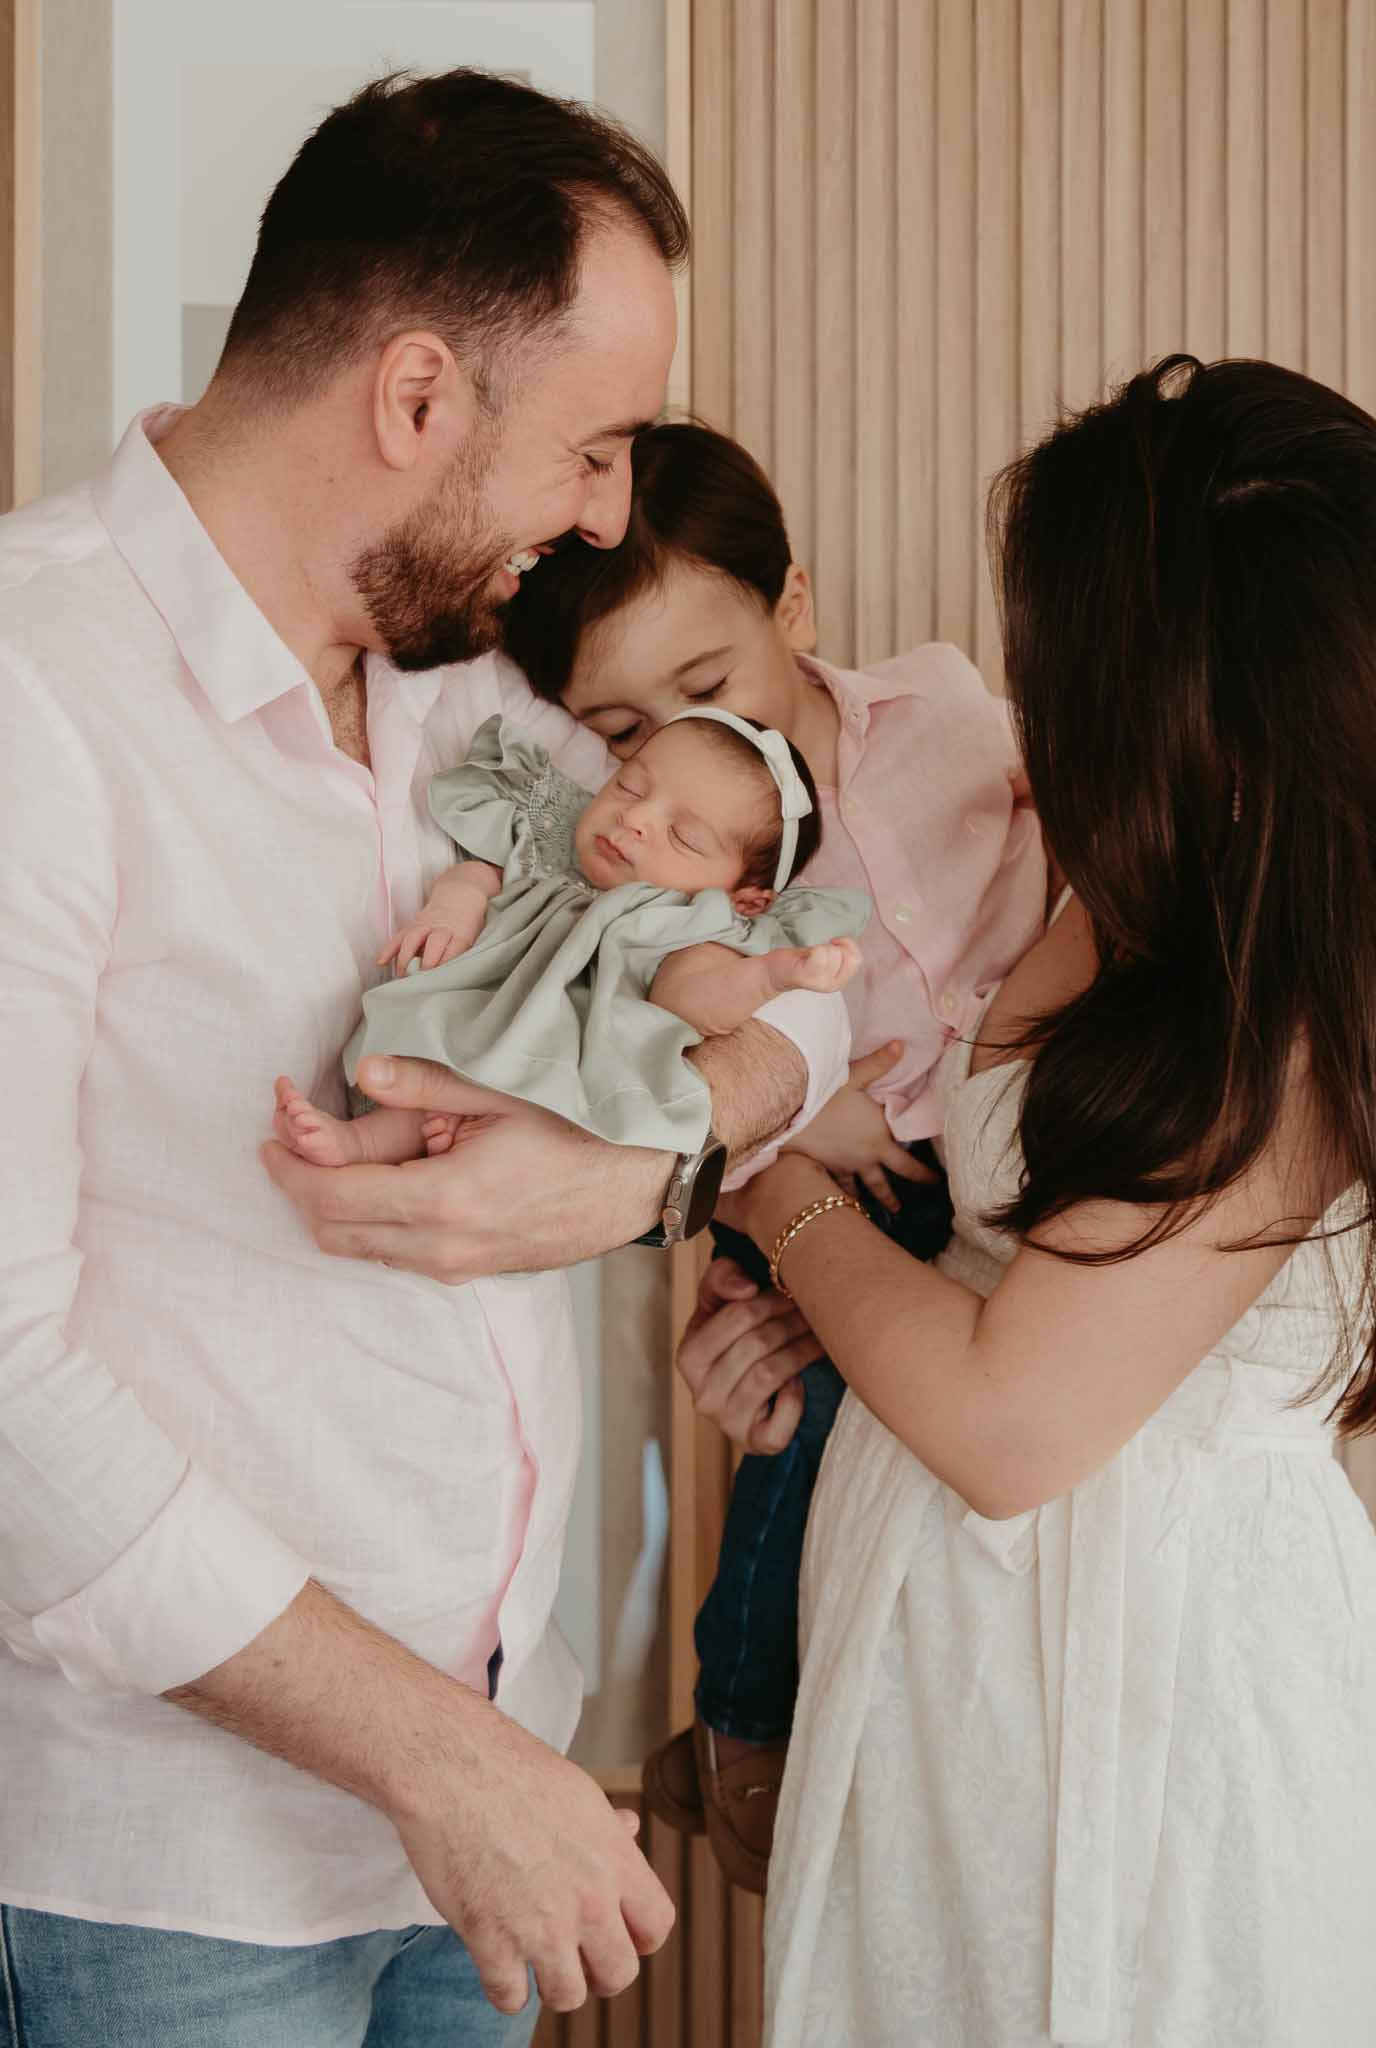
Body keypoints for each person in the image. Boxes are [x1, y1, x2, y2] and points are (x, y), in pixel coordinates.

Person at [0, 70, 849, 2048]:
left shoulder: (470, 692)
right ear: (413, 396)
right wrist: (442, 1761)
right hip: (179, 1890)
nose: (611, 514)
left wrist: (658, 1155)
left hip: (474, 1830)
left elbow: (800, 967)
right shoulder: (36, 693)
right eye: (594, 445)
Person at [676, 356, 1376, 2044]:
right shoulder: (1115, 869)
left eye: (1062, 659)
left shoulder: (1294, 1003)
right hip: (955, 1640)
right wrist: (796, 1337)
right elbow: (971, 1251)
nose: (1030, 696)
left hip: (1156, 1673)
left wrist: (774, 1185)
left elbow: (1009, 1418)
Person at [502, 420, 1049, 1889]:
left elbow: (1057, 808)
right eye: (621, 732)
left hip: (1002, 1149)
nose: (678, 749)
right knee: (799, 1425)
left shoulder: (939, 704)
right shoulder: (666, 860)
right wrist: (804, 1121)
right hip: (842, 1175)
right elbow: (657, 1071)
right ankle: (742, 1720)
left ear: (792, 609)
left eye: (709, 685)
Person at [275, 710, 864, 1169]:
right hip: (470, 1014)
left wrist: (770, 976)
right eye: (630, 787)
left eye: (683, 836)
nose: (636, 819)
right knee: (429, 1061)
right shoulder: (553, 833)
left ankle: (367, 1145)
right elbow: (484, 869)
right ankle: (367, 1138)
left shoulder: (692, 923)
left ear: (745, 899)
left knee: (495, 1098)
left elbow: (689, 1000)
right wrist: (455, 904)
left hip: (554, 1063)